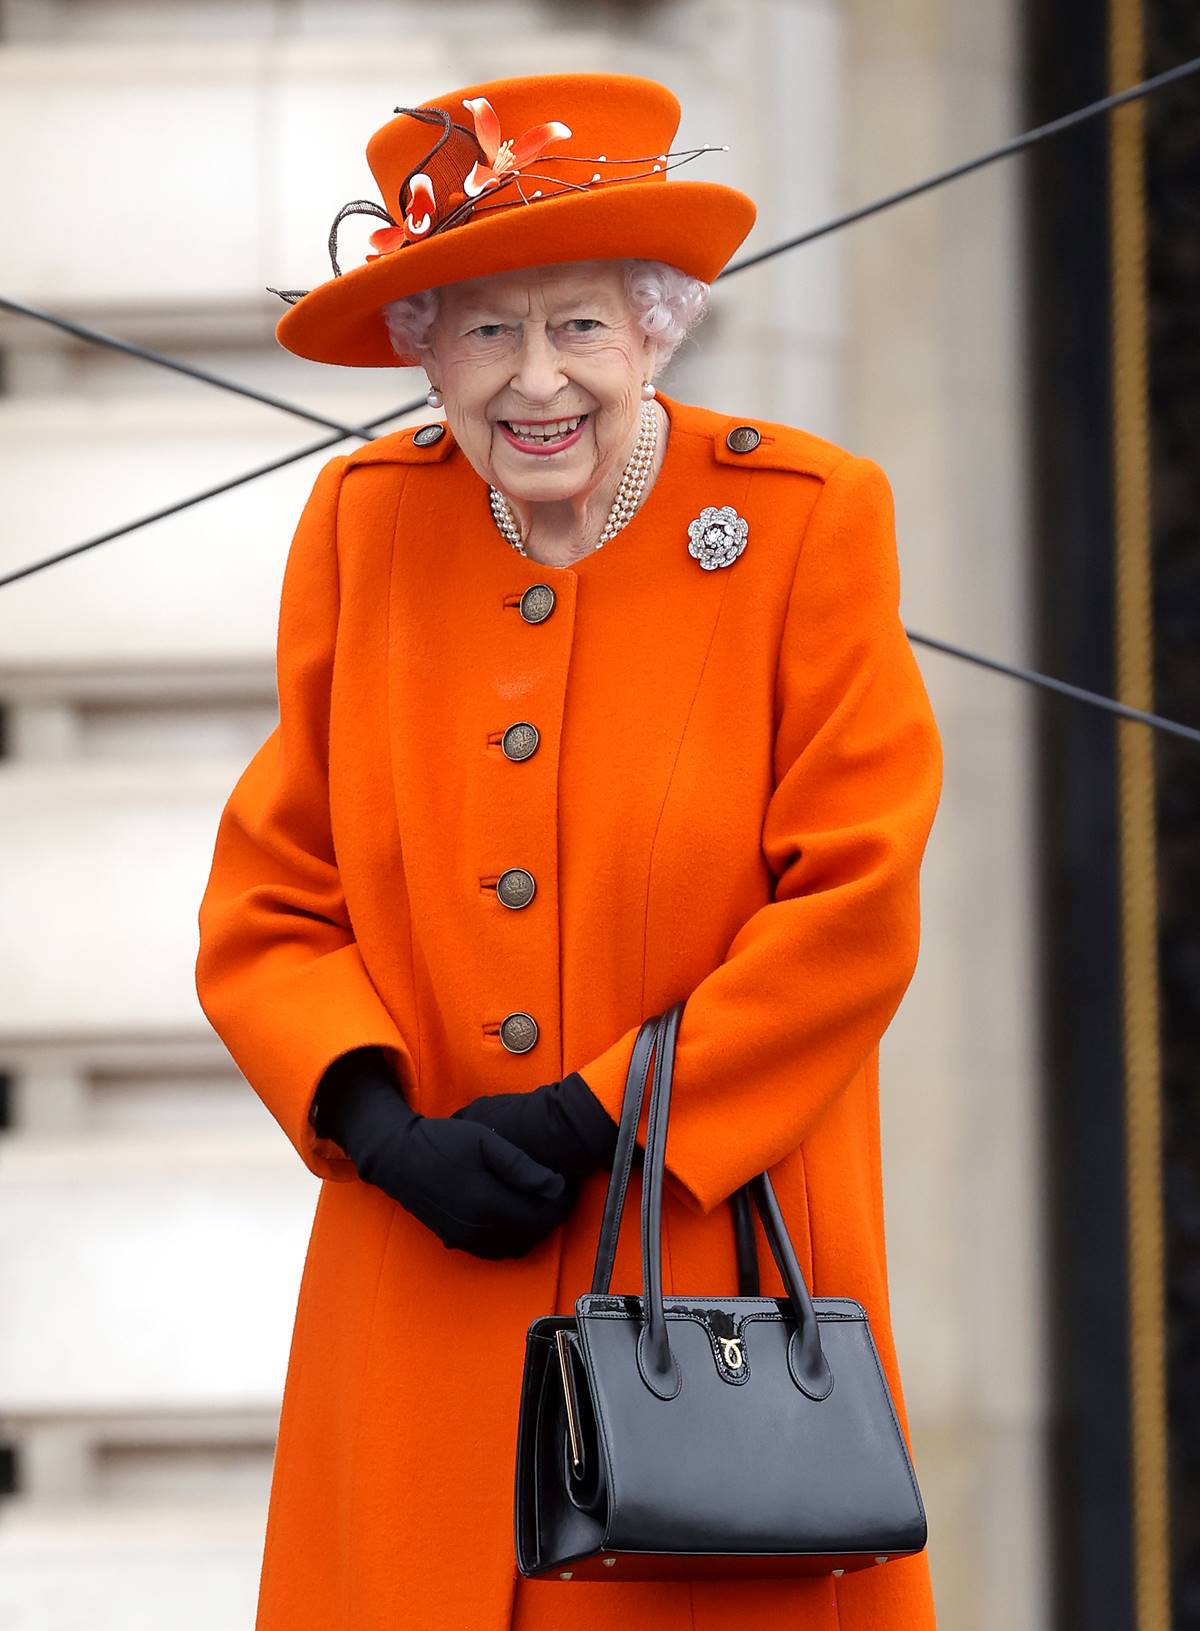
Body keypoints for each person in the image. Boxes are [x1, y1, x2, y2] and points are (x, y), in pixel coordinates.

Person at [194, 70, 943, 1631]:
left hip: (696, 1284)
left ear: (656, 329)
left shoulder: (805, 521)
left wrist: (601, 1116)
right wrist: (380, 1124)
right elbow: (272, 901)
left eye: (581, 325)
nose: (537, 380)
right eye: (484, 329)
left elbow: (854, 903)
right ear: (427, 355)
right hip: (420, 1272)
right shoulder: (363, 528)